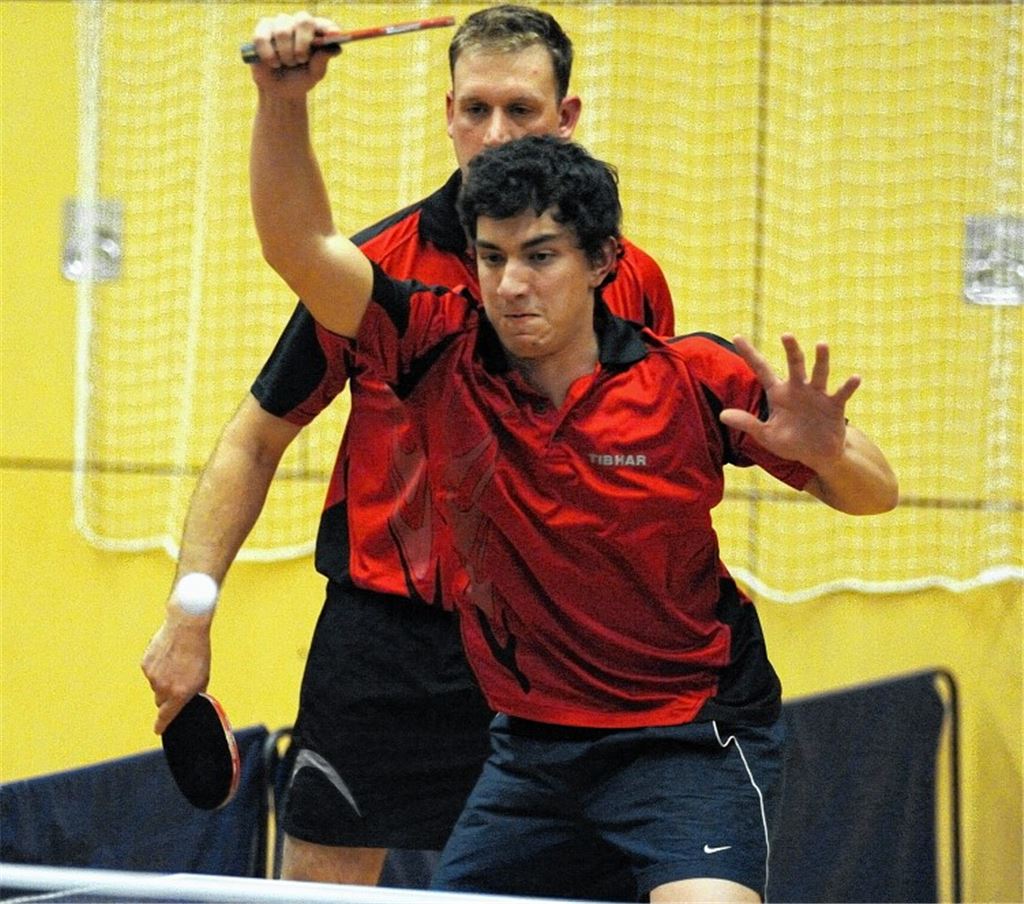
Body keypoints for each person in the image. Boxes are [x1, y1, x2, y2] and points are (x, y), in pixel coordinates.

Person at [247, 50, 899, 899]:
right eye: (491, 258)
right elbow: (300, 246)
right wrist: (280, 99)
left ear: (600, 263)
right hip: (532, 753)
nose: (512, 285)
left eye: (541, 256)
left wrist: (825, 453)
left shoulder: (691, 379)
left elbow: (876, 492)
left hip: (690, 740)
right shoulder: (438, 353)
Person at [140, 5, 674, 887]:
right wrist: (189, 614)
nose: (494, 134)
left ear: (567, 118)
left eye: (522, 110)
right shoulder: (381, 273)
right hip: (385, 649)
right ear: (448, 112)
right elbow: (255, 437)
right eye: (475, 109)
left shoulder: (627, 280)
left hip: (553, 648)